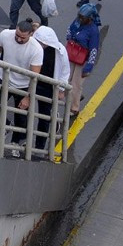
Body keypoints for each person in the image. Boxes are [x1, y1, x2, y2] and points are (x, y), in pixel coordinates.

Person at [0, 19, 45, 156]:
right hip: (3, 78)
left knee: (21, 117)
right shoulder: (6, 35)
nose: (19, 39)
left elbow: (34, 76)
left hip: (23, 86)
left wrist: (28, 97)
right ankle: (6, 125)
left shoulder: (36, 49)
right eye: (17, 35)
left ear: (30, 35)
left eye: (23, 37)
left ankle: (16, 143)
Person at [31, 23, 70, 151]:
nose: (41, 45)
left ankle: (39, 146)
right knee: (26, 113)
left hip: (48, 87)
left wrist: (61, 90)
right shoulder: (33, 46)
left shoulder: (60, 51)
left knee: (44, 116)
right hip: (32, 83)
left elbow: (65, 70)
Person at [65, 3, 101, 118]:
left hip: (82, 60)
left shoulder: (94, 31)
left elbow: (94, 50)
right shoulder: (77, 22)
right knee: (65, 79)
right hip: (71, 54)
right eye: (79, 16)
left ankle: (74, 108)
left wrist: (89, 66)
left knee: (76, 84)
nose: (80, 19)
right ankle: (76, 96)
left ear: (90, 18)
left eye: (82, 17)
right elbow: (69, 30)